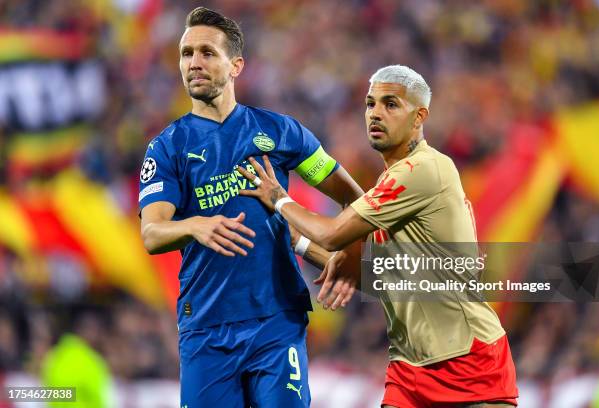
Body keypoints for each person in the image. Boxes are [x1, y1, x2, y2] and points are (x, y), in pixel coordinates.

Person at [238, 65, 519, 407]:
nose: (375, 113)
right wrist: (291, 238)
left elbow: (331, 234)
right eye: (370, 104)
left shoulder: (424, 170)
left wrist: (278, 199)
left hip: (468, 361)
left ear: (419, 117)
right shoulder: (393, 184)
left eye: (391, 104)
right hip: (408, 368)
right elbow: (380, 277)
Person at [137, 7, 363, 408]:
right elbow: (152, 233)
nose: (194, 63)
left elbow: (354, 199)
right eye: (186, 53)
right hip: (206, 327)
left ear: (236, 65)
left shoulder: (280, 132)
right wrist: (195, 226)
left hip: (276, 322)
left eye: (207, 52)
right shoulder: (168, 147)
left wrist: (348, 256)